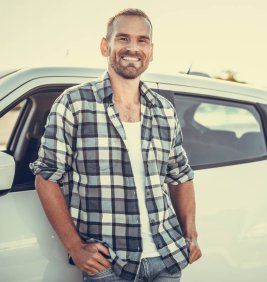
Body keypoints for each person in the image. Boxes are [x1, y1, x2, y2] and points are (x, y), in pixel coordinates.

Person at [30, 8, 201, 282]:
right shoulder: (73, 103)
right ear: (104, 46)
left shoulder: (164, 110)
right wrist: (75, 247)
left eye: (142, 40)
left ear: (151, 50)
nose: (132, 48)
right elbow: (46, 178)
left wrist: (190, 234)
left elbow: (180, 176)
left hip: (167, 259)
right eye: (123, 39)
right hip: (109, 265)